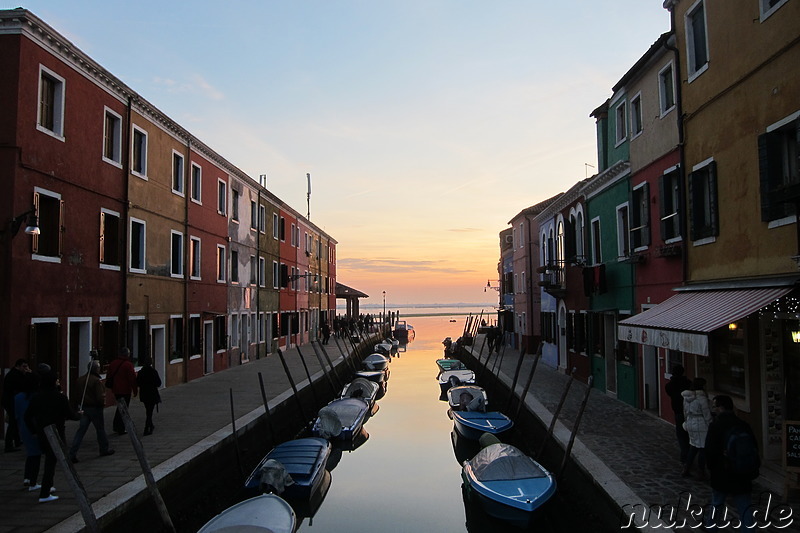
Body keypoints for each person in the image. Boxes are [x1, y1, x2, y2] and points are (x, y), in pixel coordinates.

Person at [24, 363, 78, 503]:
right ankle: (45, 493)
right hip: (56, 434)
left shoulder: (37, 397)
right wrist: (80, 415)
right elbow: (70, 415)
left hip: (42, 433)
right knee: (51, 462)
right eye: (57, 380)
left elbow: (27, 416)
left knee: (50, 460)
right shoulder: (59, 397)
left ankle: (48, 486)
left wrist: (34, 431)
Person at [704, 395, 759, 530]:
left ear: (720, 408)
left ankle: (712, 528)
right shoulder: (743, 424)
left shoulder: (715, 426)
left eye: (715, 406)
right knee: (745, 506)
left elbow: (710, 451)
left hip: (721, 471)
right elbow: (754, 448)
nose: (713, 409)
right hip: (742, 472)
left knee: (717, 503)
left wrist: (710, 469)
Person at [68, 361, 114, 462]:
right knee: (100, 429)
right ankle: (103, 449)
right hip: (95, 408)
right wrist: (102, 403)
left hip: (84, 407)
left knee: (81, 431)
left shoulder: (80, 380)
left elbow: (76, 395)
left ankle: (72, 453)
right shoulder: (96, 381)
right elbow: (100, 397)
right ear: (96, 369)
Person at [14, 372, 41, 490]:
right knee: (36, 454)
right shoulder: (35, 397)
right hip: (34, 427)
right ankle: (33, 482)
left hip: (22, 427)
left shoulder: (18, 397)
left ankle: (27, 477)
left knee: (30, 453)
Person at [681, 377, 712, 478]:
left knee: (693, 447)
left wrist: (686, 422)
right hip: (701, 424)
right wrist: (711, 424)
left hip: (690, 422)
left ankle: (686, 468)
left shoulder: (687, 398)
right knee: (702, 448)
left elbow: (684, 412)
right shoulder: (701, 398)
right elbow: (707, 414)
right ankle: (701, 471)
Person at [665, 364, 692, 467]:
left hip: (678, 412)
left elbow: (669, 393)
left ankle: (685, 456)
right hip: (690, 412)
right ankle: (689, 454)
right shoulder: (688, 383)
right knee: (690, 434)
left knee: (681, 435)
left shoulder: (669, 385)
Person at [107, 347, 138, 435]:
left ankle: (117, 425)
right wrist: (135, 390)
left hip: (116, 390)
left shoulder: (113, 363)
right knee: (123, 409)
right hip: (125, 390)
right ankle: (120, 427)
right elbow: (132, 379)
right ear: (127, 355)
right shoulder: (128, 365)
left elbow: (109, 375)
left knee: (120, 407)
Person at [3, 358, 30, 452]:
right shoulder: (15, 375)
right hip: (11, 401)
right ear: (18, 366)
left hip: (11, 401)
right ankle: (9, 445)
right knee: (13, 423)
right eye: (24, 366)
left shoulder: (14, 374)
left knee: (15, 421)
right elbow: (22, 385)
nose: (25, 368)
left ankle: (17, 441)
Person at [136, 357, 161, 436]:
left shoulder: (141, 372)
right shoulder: (153, 372)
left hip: (144, 394)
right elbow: (158, 383)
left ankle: (150, 425)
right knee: (149, 412)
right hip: (152, 394)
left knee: (148, 410)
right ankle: (147, 427)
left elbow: (138, 383)